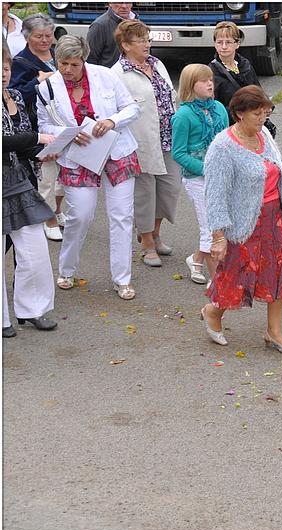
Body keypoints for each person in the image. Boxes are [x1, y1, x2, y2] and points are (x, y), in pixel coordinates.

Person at [36, 35, 141, 300]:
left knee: (122, 216)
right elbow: (43, 126)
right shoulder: (46, 89)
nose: (68, 70)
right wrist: (67, 132)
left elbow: (131, 108)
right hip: (77, 156)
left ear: (84, 59)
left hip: (117, 151)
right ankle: (67, 269)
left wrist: (111, 120)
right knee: (80, 216)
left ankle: (122, 278)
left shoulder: (105, 75)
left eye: (74, 64)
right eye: (63, 64)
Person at [201, 85, 282, 354]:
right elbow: (215, 195)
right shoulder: (222, 147)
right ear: (239, 114)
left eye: (265, 112)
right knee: (236, 276)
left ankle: (274, 332)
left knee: (278, 272)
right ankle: (212, 312)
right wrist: (218, 236)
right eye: (257, 113)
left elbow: (273, 169)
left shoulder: (264, 134)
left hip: (274, 217)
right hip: (242, 224)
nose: (263, 118)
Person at [111, 19, 180, 268]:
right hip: (140, 143)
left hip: (169, 138)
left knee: (169, 190)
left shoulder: (157, 64)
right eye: (141, 40)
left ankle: (155, 232)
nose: (146, 44)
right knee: (145, 194)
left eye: (147, 39)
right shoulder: (117, 75)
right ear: (125, 45)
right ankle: (147, 243)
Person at [3, 41, 58, 337]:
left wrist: (44, 149)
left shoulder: (14, 96)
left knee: (34, 252)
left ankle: (32, 310)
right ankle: (3, 320)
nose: (3, 73)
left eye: (6, 67)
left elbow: (23, 142)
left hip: (20, 182)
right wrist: (38, 137)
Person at [171, 63, 228, 285]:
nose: (209, 84)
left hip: (221, 175)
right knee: (211, 227)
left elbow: (226, 140)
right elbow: (178, 153)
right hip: (197, 178)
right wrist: (206, 169)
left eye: (211, 80)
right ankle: (217, 282)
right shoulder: (183, 115)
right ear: (190, 85)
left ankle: (196, 259)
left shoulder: (220, 108)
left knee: (222, 224)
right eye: (203, 81)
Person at [9, 13, 62, 240]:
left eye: (48, 36)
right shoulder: (20, 62)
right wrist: (37, 81)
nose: (45, 40)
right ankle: (47, 218)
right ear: (27, 37)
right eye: (39, 36)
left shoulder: (59, 56)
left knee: (63, 172)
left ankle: (58, 212)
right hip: (37, 124)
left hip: (62, 121)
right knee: (47, 174)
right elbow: (14, 95)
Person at [209, 21, 276, 137]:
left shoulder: (245, 64)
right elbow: (213, 107)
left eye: (228, 42)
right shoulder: (211, 72)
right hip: (230, 129)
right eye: (219, 42)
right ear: (214, 44)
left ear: (237, 44)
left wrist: (267, 106)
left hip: (252, 124)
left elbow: (257, 90)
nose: (224, 46)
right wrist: (242, 112)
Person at [87, 3, 135, 68]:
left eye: (127, 2)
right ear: (110, 3)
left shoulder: (136, 21)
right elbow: (90, 59)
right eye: (119, 2)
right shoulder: (99, 26)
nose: (124, 6)